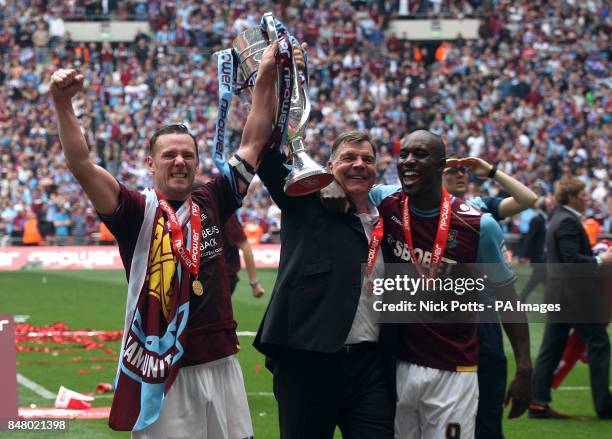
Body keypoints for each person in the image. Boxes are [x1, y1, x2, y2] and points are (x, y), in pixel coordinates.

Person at [50, 41, 281, 436]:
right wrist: (62, 104)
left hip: (221, 360)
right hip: (162, 366)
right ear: (150, 163)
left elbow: (254, 140)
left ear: (197, 160)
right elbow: (81, 165)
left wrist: (267, 76)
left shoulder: (213, 198)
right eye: (170, 155)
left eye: (188, 155)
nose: (179, 162)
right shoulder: (134, 211)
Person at [369, 130, 532, 439]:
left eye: (420, 154)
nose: (408, 161)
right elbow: (345, 180)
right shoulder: (386, 201)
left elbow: (508, 298)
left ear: (440, 165)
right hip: (400, 365)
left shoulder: (478, 226)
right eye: (404, 154)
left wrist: (524, 366)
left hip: (454, 370)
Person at [254, 131, 394, 438]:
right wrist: (320, 179)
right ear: (330, 165)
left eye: (367, 159)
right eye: (348, 158)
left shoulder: (391, 217)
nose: (359, 165)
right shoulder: (306, 200)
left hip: (370, 366)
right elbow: (264, 151)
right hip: (307, 362)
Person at [442, 153, 537, 439]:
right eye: (451, 170)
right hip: (438, 325)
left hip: (482, 322)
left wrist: (491, 171)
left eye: (464, 171)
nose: (461, 175)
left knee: (486, 421)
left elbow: (528, 199)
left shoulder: (479, 209)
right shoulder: (415, 210)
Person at [529, 177, 612, 419]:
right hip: (575, 298)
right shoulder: (567, 221)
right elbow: (572, 261)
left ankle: (537, 403)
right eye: (584, 194)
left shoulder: (559, 218)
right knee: (599, 343)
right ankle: (604, 406)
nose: (588, 198)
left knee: (551, 349)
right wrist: (601, 260)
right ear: (573, 197)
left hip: (560, 295)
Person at [223, 213, 265, 298]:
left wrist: (254, 283)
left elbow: (245, 245)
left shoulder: (225, 212)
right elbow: (245, 246)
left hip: (223, 279)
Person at [519, 198, 550, 302]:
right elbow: (530, 238)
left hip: (543, 257)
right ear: (543, 207)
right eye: (549, 205)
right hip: (538, 256)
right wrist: (524, 255)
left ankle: (521, 298)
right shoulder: (537, 219)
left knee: (538, 279)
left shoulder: (545, 219)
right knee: (538, 279)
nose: (551, 207)